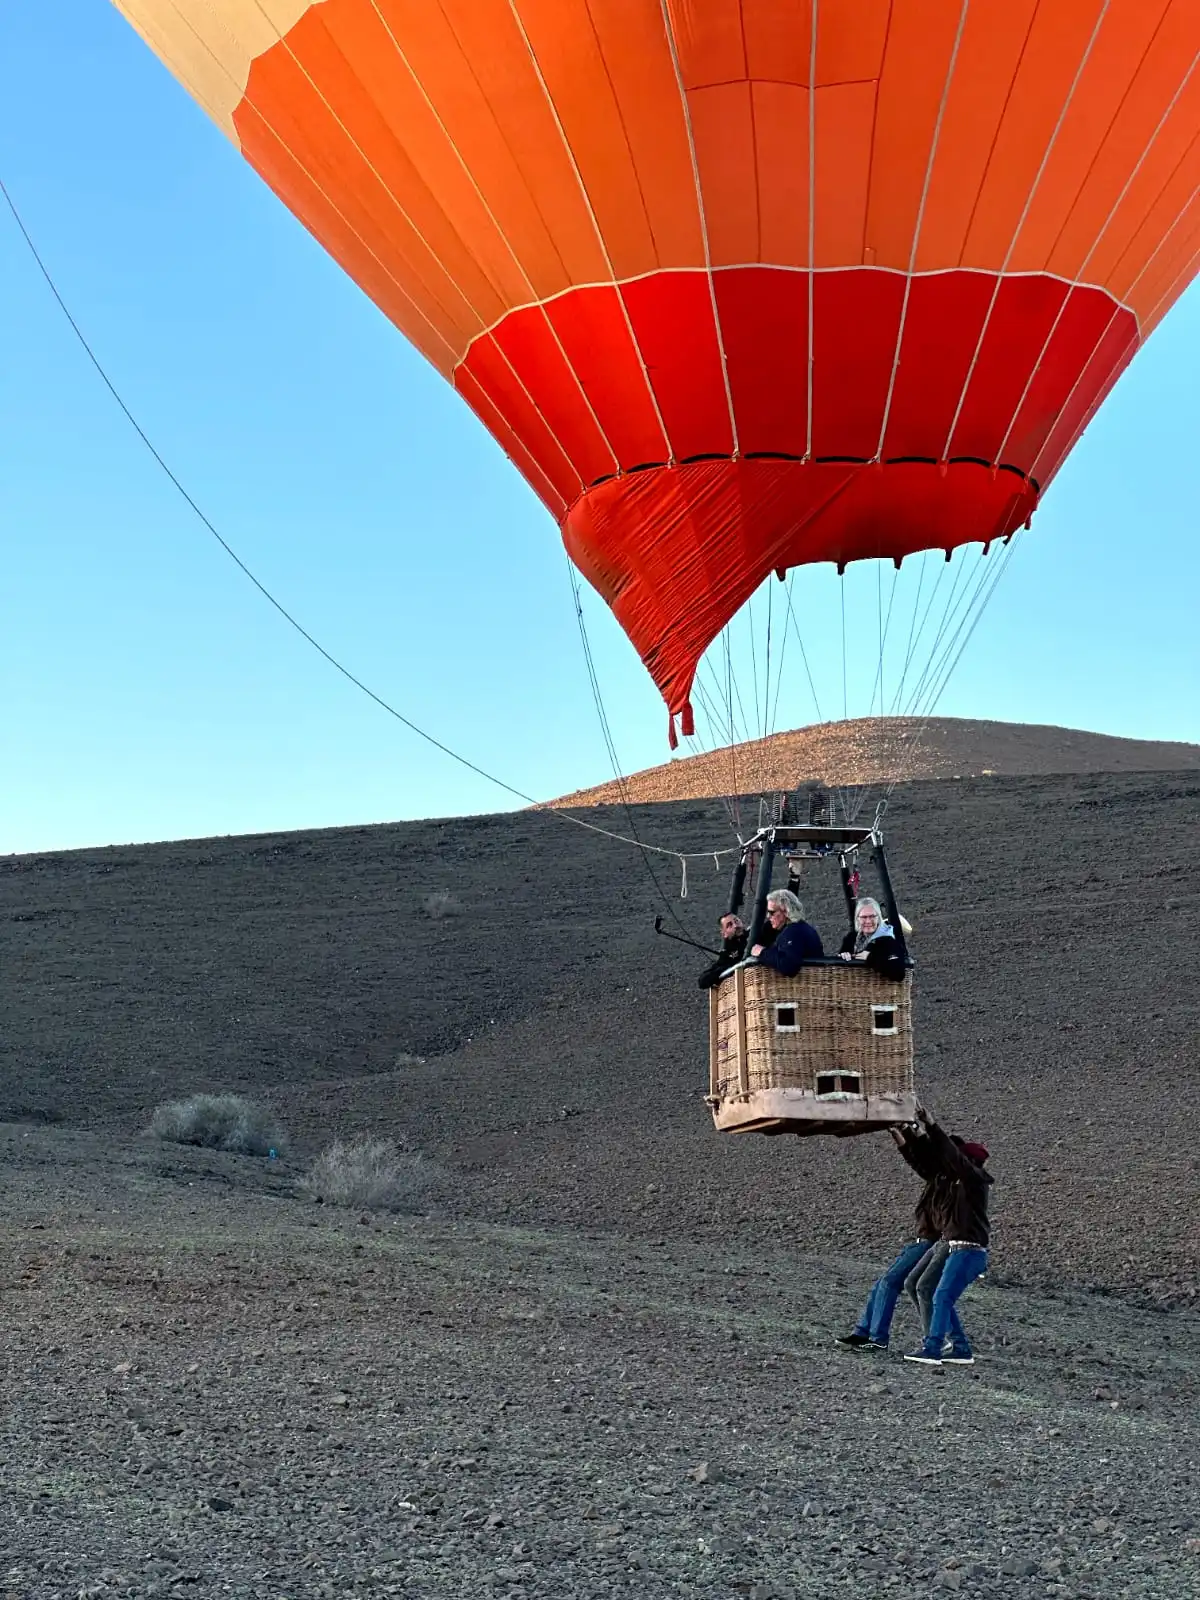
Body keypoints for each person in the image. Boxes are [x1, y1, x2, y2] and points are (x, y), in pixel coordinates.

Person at [835, 1123, 950, 1351]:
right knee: (883, 1283)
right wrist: (899, 1132)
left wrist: (910, 1132)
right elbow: (915, 1157)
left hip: (932, 1242)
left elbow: (922, 1155)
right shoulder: (937, 1178)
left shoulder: (951, 1184)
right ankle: (863, 1332)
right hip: (924, 1240)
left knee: (889, 1282)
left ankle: (878, 1338)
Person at [903, 1112, 993, 1368]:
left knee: (940, 1295)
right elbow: (928, 1162)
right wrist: (909, 1132)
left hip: (969, 1252)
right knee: (936, 1293)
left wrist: (931, 1124)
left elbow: (951, 1156)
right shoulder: (957, 1184)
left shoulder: (974, 1181)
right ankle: (961, 1348)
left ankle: (933, 1348)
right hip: (957, 1250)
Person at [749, 889, 823, 974]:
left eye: (771, 912)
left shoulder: (793, 931)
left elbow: (789, 965)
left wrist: (762, 952)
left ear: (785, 911)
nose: (768, 916)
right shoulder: (804, 928)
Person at [838, 896, 906, 981]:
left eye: (872, 916)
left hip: (880, 991)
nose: (868, 921)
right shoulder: (851, 939)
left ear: (878, 918)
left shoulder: (887, 940)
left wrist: (870, 957)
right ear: (857, 919)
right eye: (864, 917)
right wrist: (843, 957)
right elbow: (839, 971)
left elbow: (898, 973)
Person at [698, 913, 748, 990]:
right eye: (729, 925)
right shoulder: (726, 955)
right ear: (724, 934)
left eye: (736, 921)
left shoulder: (756, 933)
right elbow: (702, 981)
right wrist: (728, 967)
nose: (735, 926)